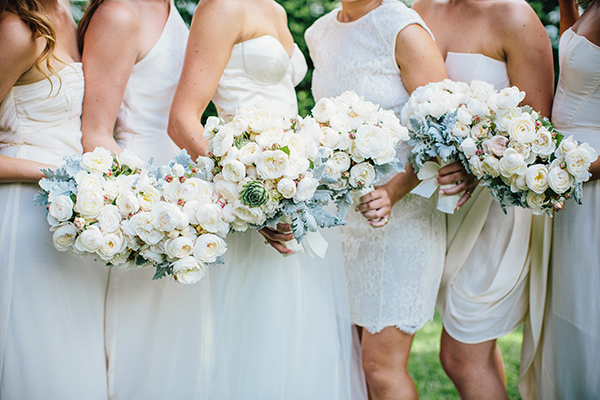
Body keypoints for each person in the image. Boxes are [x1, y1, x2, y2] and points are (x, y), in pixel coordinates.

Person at [168, 0, 365, 398]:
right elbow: (182, 120)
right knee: (259, 336)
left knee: (301, 333)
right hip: (252, 200)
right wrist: (252, 201)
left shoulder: (274, 8)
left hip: (296, 196)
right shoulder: (220, 7)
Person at [306, 1, 455, 398]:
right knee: (353, 360)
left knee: (380, 365)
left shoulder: (402, 29)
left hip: (400, 219)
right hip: (344, 222)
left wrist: (393, 191)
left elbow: (443, 131)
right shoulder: (319, 32)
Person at [412, 1, 554, 399]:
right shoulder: (423, 7)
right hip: (440, 210)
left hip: (496, 211)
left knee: (460, 356)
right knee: (476, 350)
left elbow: (539, 132)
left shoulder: (515, 16)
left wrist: (481, 163)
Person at [78, 1, 211, 397]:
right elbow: (95, 135)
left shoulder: (171, 9)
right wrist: (151, 201)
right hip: (140, 202)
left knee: (175, 347)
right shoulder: (121, 14)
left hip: (182, 196)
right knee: (138, 342)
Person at [0, 0, 108, 398]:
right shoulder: (16, 29)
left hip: (70, 217)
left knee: (76, 362)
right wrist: (51, 173)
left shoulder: (66, 11)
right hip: (22, 215)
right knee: (41, 367)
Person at [530, 1, 600, 398]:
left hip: (590, 175)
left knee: (589, 299)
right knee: (569, 297)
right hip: (567, 170)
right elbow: (579, 56)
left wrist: (582, 170)